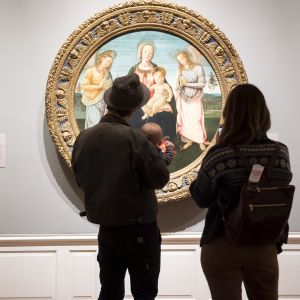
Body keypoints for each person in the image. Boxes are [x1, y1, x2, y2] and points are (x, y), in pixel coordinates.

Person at [189, 83, 293, 300]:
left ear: (229, 114)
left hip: (223, 242)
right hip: (264, 243)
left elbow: (202, 197)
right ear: (263, 113)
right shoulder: (279, 153)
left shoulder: (220, 154)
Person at [72, 73, 170, 300]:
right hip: (140, 229)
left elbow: (80, 179)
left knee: (109, 291)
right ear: (134, 108)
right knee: (144, 293)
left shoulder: (84, 137)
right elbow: (160, 179)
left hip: (107, 228)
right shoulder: (135, 139)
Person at [128, 42, 177, 144]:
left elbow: (165, 85)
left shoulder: (156, 68)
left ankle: (163, 142)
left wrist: (166, 94)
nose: (148, 54)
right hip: (138, 101)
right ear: (140, 53)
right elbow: (128, 86)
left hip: (155, 99)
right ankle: (136, 142)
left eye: (151, 52)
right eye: (146, 51)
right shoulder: (133, 69)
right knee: (133, 114)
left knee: (165, 113)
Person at [175, 51, 209, 151]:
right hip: (184, 98)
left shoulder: (198, 68)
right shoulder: (180, 70)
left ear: (187, 56)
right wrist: (180, 84)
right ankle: (189, 140)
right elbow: (177, 85)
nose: (181, 61)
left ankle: (200, 141)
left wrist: (187, 83)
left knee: (196, 118)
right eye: (179, 60)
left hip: (196, 97)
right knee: (186, 120)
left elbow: (202, 84)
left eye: (182, 58)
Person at [81, 50, 114, 129]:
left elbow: (111, 88)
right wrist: (99, 87)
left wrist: (108, 87)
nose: (108, 63)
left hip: (104, 102)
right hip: (93, 101)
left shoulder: (107, 73)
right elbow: (85, 86)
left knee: (102, 123)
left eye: (110, 62)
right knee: (95, 123)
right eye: (107, 61)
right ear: (102, 58)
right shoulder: (91, 71)